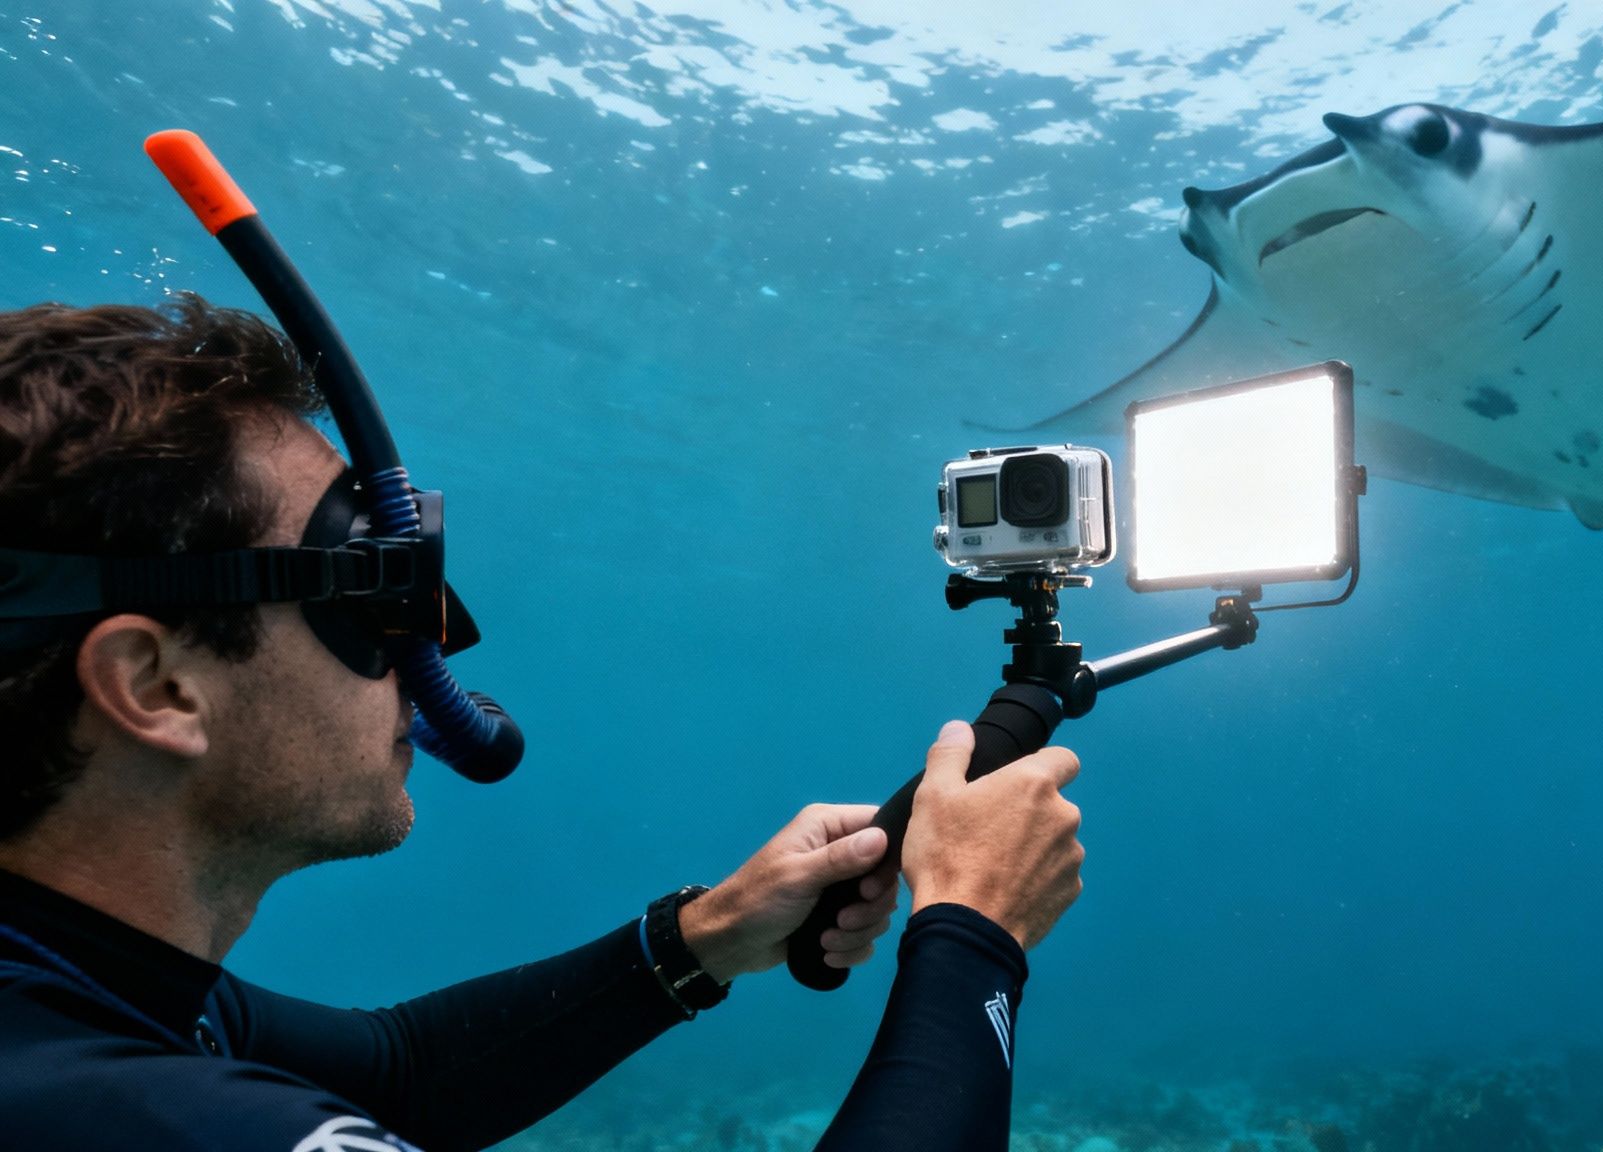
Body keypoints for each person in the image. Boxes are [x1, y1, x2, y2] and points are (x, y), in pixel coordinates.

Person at [0, 296, 1087, 1150]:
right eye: (370, 585)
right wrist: (972, 933)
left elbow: (399, 1076)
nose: (436, 640)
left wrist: (707, 935)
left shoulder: (68, 992)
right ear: (156, 685)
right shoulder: (124, 1114)